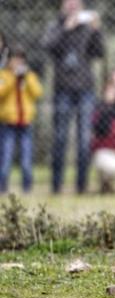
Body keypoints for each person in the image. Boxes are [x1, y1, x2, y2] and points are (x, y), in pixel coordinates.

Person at [41, 0, 104, 194]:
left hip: (85, 88)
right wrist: (66, 29)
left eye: (76, 2)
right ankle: (56, 185)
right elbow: (47, 46)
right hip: (63, 89)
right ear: (62, 5)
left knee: (84, 139)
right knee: (60, 137)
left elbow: (99, 52)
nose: (72, 5)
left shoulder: (88, 27)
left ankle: (81, 185)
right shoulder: (56, 25)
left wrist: (96, 31)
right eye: (69, 2)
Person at [0, 47, 43, 193]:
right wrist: (13, 78)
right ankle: (2, 187)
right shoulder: (4, 75)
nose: (18, 63)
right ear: (9, 61)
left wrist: (25, 78)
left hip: (26, 122)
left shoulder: (29, 76)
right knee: (6, 156)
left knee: (26, 157)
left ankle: (27, 187)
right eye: (15, 59)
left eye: (21, 59)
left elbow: (38, 93)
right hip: (8, 122)